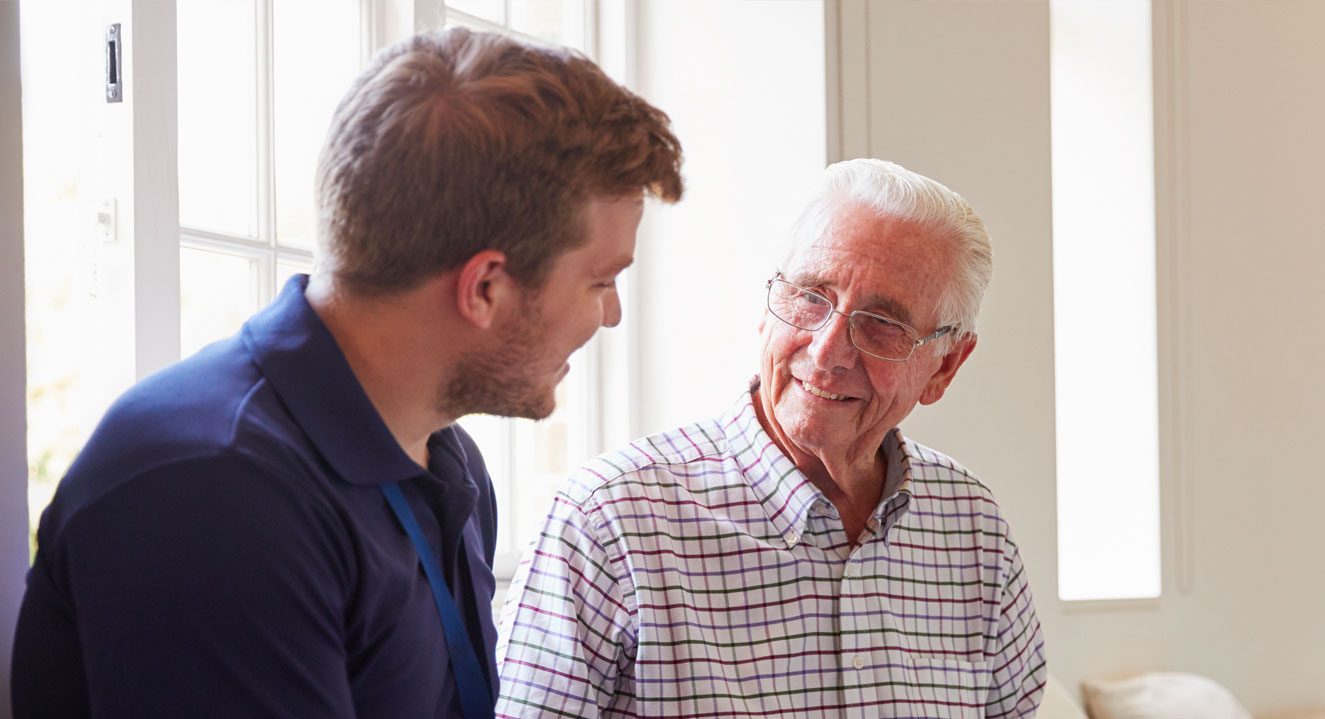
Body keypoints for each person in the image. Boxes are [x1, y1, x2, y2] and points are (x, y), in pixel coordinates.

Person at [12, 27, 682, 719]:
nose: (610, 316)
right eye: (600, 280)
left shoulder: (448, 465)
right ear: (484, 287)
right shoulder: (211, 489)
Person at [495, 159, 1045, 718]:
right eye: (810, 296)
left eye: (883, 322)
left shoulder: (972, 529)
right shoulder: (610, 519)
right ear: (766, 308)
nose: (828, 351)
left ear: (946, 365)